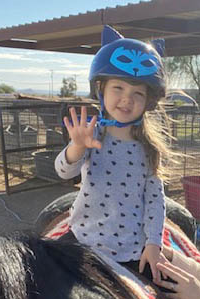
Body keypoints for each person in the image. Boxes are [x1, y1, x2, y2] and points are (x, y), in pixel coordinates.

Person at [55, 25, 173, 282]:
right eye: (118, 88)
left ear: (147, 102)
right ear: (102, 90)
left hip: (130, 248)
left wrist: (153, 243)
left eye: (137, 93)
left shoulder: (149, 149)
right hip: (83, 239)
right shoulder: (92, 135)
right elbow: (64, 171)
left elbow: (155, 199)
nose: (126, 99)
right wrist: (77, 147)